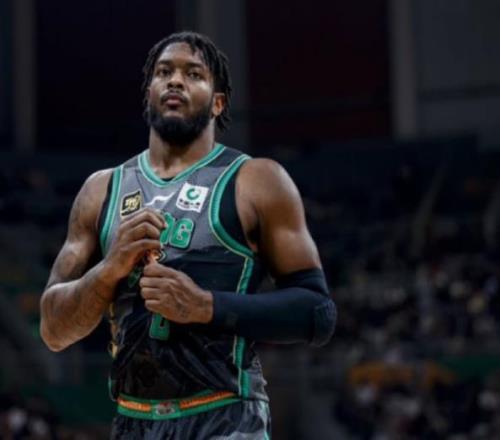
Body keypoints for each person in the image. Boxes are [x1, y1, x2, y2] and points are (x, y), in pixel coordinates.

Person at [39, 31, 336, 439]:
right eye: (164, 72)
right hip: (133, 421)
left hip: (225, 417)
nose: (175, 80)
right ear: (149, 93)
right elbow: (53, 330)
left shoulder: (257, 180)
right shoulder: (100, 190)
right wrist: (109, 270)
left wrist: (207, 306)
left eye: (193, 74)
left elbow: (317, 313)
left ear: (218, 103)